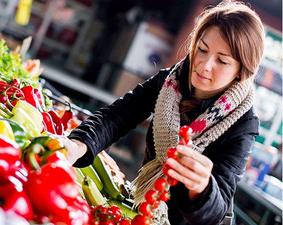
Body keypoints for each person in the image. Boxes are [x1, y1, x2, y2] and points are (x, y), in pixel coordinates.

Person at [58, 0, 266, 224]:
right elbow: (117, 116)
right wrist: (78, 145)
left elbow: (217, 212)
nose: (204, 65)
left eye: (222, 61)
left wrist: (202, 188)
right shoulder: (170, 82)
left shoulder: (243, 123)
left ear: (241, 72)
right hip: (142, 209)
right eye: (202, 49)